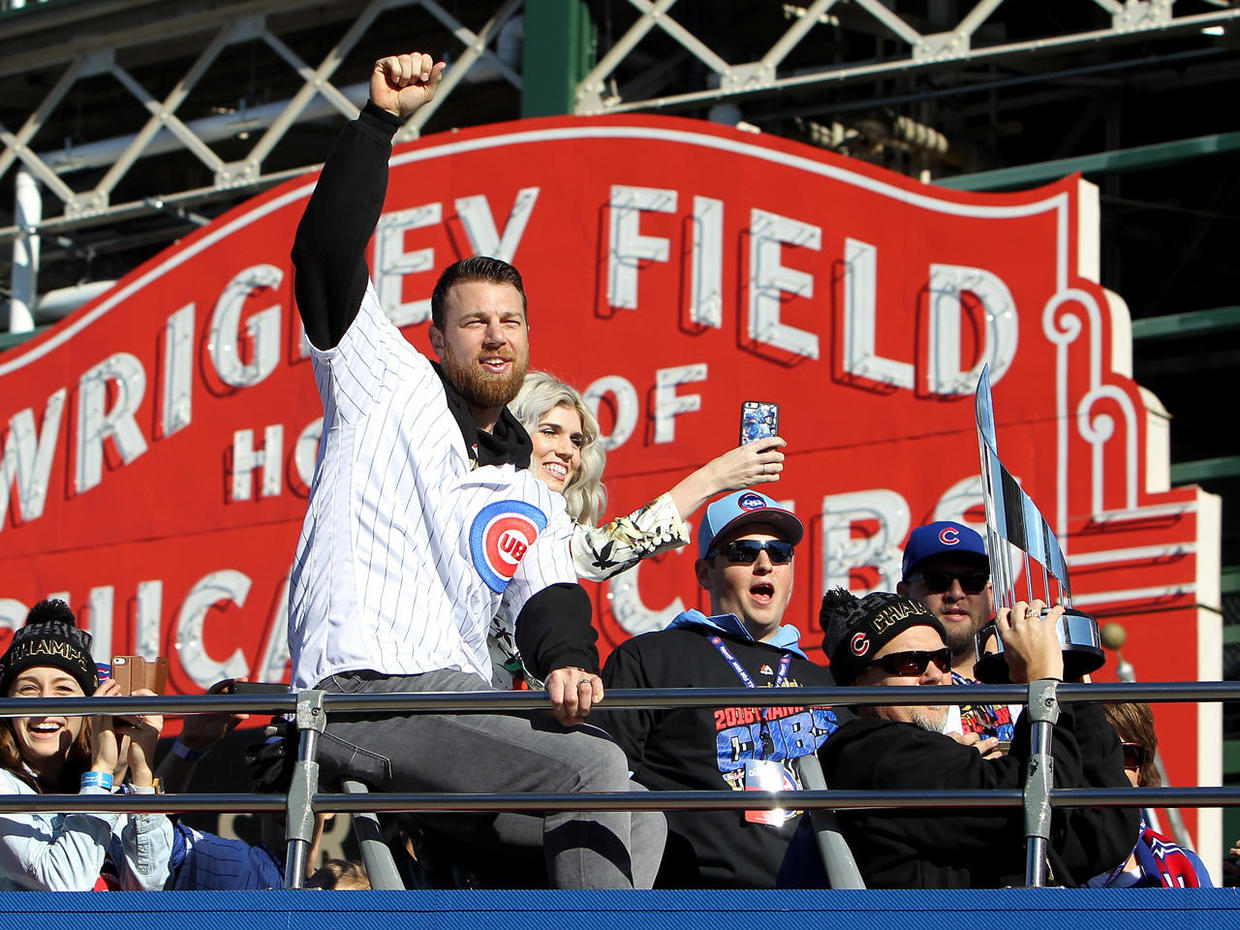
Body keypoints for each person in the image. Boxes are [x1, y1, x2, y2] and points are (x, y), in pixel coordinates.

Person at [286, 50, 663, 889]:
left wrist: (568, 658)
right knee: (593, 777)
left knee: (638, 800)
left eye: (510, 321)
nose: (495, 337)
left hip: (462, 704)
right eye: (473, 322)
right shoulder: (383, 381)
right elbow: (323, 252)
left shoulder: (523, 478)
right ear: (435, 338)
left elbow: (549, 591)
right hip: (363, 687)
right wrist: (378, 124)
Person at [785, 589, 1137, 888]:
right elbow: (1036, 808)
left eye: (942, 659)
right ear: (859, 681)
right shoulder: (869, 751)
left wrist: (1074, 686)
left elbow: (1103, 836)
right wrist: (1044, 684)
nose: (935, 675)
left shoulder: (932, 759)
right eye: (910, 663)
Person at [590, 490, 844, 887]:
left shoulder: (826, 681)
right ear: (705, 573)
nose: (765, 565)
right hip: (701, 902)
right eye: (743, 553)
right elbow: (601, 785)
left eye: (779, 553)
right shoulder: (651, 658)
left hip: (824, 906)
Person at [491, 370, 788, 687]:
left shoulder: (552, 523)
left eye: (576, 440)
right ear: (515, 432)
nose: (568, 451)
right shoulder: (486, 501)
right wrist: (712, 479)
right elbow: (599, 553)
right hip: (451, 695)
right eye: (550, 432)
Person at [0, 599, 171, 892]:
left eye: (64, 690)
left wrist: (140, 774)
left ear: (88, 709)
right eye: (29, 689)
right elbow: (64, 886)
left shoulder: (98, 786)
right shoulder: (5, 784)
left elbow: (148, 891)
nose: (45, 707)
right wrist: (102, 772)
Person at [897, 520, 1015, 746]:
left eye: (973, 580)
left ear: (989, 593)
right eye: (937, 580)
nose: (956, 593)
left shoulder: (1022, 673)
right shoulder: (890, 685)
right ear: (904, 594)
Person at [1083, 702, 1212, 888]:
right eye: (1096, 753)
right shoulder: (1036, 861)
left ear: (1141, 769)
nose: (1110, 769)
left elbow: (1210, 919)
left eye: (1125, 755)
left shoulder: (1185, 868)